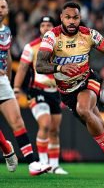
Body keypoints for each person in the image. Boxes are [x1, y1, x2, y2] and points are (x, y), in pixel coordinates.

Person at [36, 1, 104, 179]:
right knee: (101, 127)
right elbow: (40, 65)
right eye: (67, 17)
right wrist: (60, 68)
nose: (71, 21)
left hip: (88, 81)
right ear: (61, 18)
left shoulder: (89, 34)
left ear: (80, 18)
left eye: (75, 17)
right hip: (67, 92)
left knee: (83, 109)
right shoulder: (51, 37)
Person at [0, 0, 51, 176]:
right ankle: (6, 148)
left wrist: (8, 80)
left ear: (7, 10)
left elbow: (8, 57)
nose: (0, 9)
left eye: (3, 6)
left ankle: (32, 163)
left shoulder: (6, 31)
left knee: (17, 121)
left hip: (2, 81)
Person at [14, 16, 68, 174]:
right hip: (37, 90)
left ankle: (54, 165)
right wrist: (16, 88)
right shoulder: (31, 47)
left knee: (54, 130)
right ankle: (43, 163)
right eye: (43, 25)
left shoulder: (61, 47)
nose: (45, 28)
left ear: (53, 27)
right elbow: (23, 68)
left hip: (55, 93)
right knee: (45, 124)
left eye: (48, 25)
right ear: (39, 28)